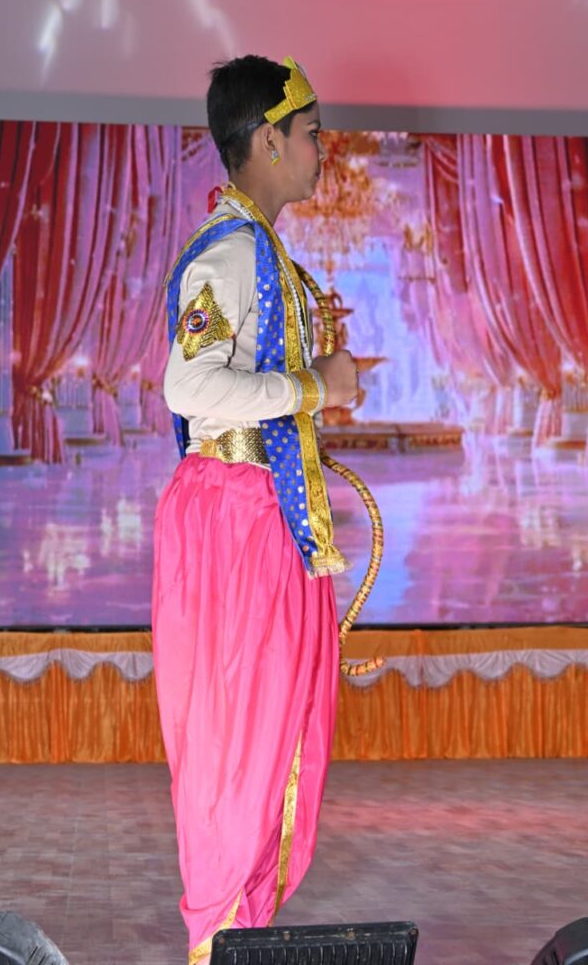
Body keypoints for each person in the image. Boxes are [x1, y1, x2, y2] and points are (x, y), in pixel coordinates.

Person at [152, 54, 358, 965]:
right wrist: (315, 388)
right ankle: (219, 941)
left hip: (260, 515)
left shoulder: (262, 252)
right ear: (268, 139)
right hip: (234, 523)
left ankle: (241, 937)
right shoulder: (231, 253)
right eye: (311, 134)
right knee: (239, 738)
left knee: (272, 736)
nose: (322, 149)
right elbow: (190, 385)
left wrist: (312, 392)